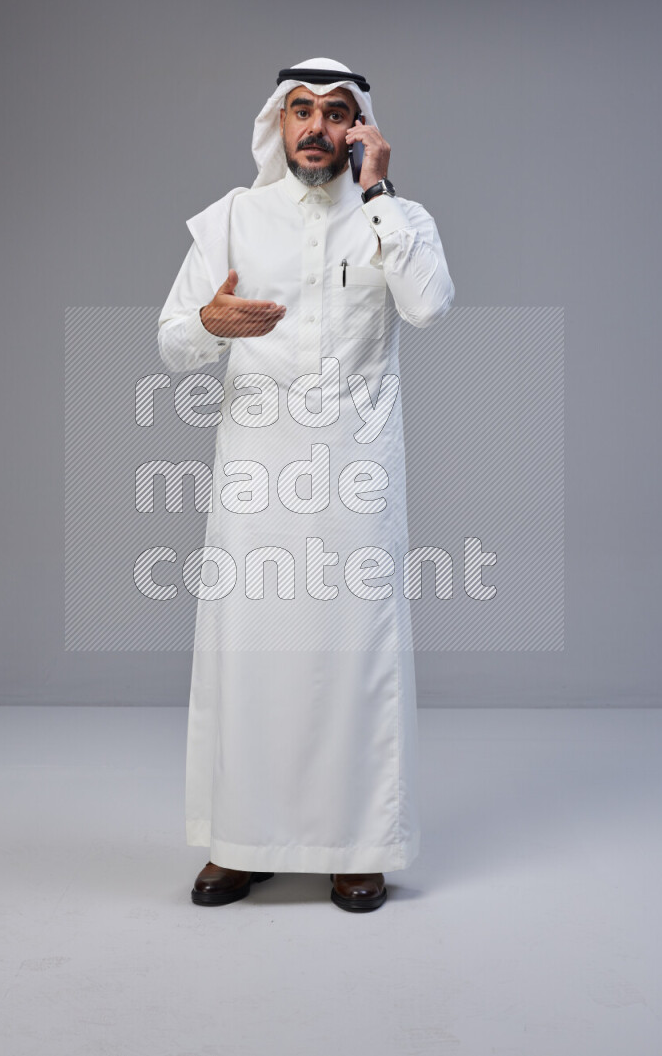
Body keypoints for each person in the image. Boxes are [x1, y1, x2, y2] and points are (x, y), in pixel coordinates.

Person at [157, 57, 455, 912]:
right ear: (278, 125)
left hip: (357, 480)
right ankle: (240, 843)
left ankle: (357, 847)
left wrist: (379, 193)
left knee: (353, 661)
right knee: (248, 661)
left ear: (359, 128)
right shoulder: (233, 220)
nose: (316, 127)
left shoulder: (396, 218)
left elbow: (430, 306)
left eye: (335, 112)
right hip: (256, 481)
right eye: (300, 110)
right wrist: (210, 323)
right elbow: (173, 341)